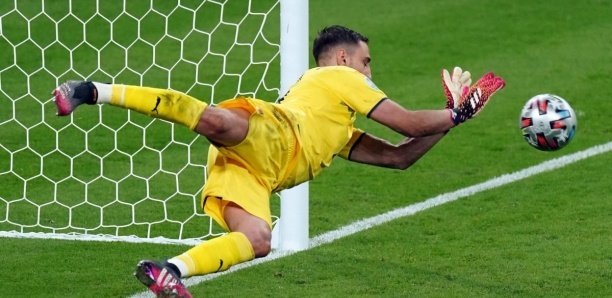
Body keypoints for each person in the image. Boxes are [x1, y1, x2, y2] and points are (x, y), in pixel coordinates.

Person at [53, 25, 504, 297]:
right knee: (209, 118)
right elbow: (406, 122)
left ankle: (169, 271)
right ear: (345, 58)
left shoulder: (338, 127)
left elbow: (400, 157)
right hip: (271, 130)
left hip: (253, 171)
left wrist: (451, 122)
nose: (369, 73)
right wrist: (458, 111)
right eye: (367, 63)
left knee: (258, 239)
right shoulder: (338, 74)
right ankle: (91, 90)